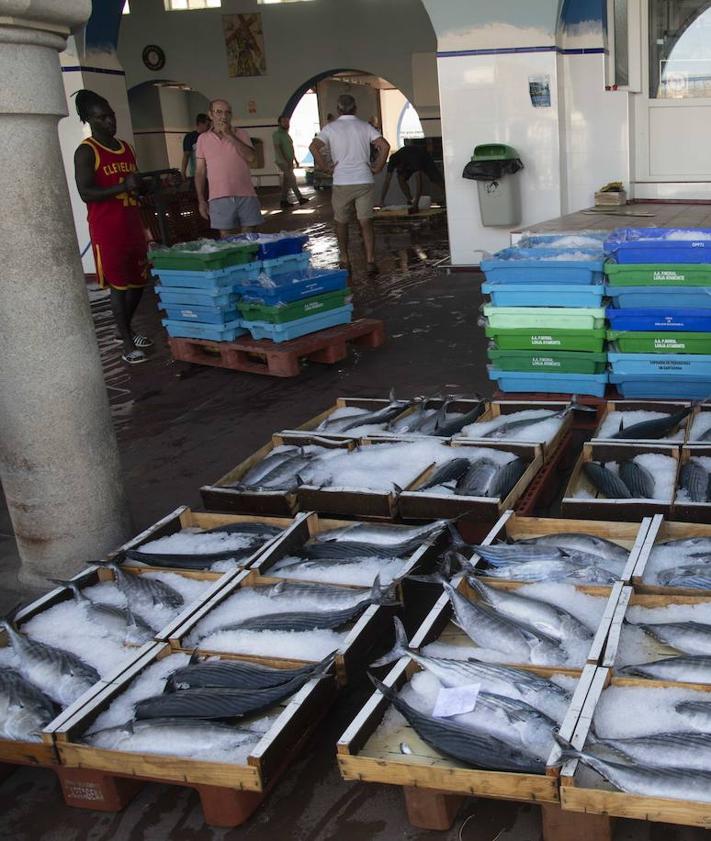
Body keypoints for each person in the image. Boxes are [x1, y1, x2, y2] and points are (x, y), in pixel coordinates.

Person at [73, 89, 154, 365]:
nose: (109, 122)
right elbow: (85, 192)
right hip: (108, 230)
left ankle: (127, 328)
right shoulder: (86, 151)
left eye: (111, 116)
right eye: (101, 117)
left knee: (140, 281)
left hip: (132, 223)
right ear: (88, 120)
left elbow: (133, 185)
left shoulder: (126, 148)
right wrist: (122, 186)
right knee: (119, 286)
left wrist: (142, 189)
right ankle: (127, 341)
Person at [309, 94, 389, 276]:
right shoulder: (365, 127)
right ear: (355, 109)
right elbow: (384, 146)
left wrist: (325, 168)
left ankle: (345, 259)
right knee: (366, 222)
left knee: (341, 222)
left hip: (342, 182)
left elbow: (313, 147)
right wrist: (377, 167)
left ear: (338, 110)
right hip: (364, 180)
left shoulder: (330, 128)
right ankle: (370, 260)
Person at [195, 99, 262, 236]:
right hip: (218, 196)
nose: (223, 116)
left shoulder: (241, 134)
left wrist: (230, 135)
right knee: (226, 239)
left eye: (227, 112)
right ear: (211, 114)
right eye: (219, 112)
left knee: (250, 238)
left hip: (246, 194)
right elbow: (200, 172)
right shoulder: (203, 139)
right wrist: (201, 200)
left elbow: (251, 157)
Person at [379, 143, 444, 212]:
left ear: (402, 164)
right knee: (400, 177)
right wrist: (381, 200)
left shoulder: (413, 159)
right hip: (407, 159)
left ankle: (447, 195)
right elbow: (387, 181)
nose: (399, 170)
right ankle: (410, 200)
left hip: (423, 157)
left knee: (436, 179)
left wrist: (416, 202)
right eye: (397, 168)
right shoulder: (393, 160)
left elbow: (419, 182)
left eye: (399, 168)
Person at [272, 114, 309, 209]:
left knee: (286, 182)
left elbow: (290, 148)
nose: (287, 123)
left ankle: (283, 201)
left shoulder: (286, 134)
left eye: (288, 121)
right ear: (279, 123)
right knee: (292, 179)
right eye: (284, 121)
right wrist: (285, 161)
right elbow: (278, 148)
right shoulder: (277, 134)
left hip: (289, 161)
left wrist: (295, 160)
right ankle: (300, 198)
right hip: (283, 161)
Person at [180, 113, 210, 180]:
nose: (209, 128)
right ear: (200, 123)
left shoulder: (210, 137)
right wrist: (183, 172)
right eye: (207, 125)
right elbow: (186, 155)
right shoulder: (190, 137)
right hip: (196, 174)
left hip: (210, 175)